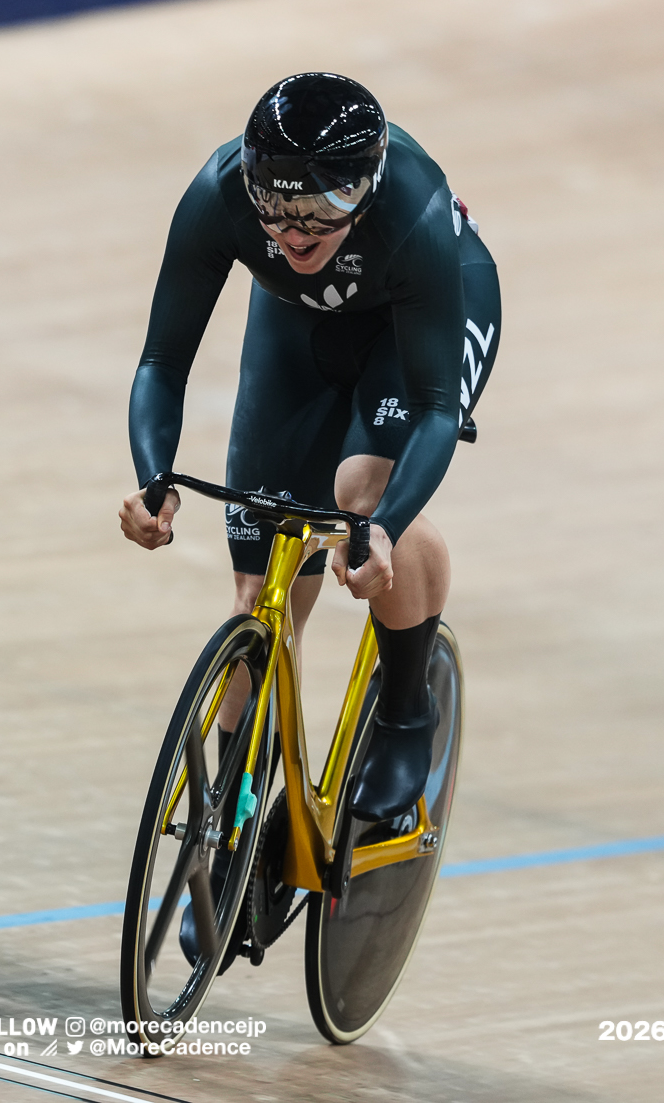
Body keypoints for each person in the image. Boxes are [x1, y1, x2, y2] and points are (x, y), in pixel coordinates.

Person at [119, 71, 500, 829]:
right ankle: (231, 826)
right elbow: (162, 361)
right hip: (299, 326)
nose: (293, 230)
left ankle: (402, 711)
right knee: (259, 590)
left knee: (359, 495)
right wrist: (153, 475)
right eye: (276, 207)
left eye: (320, 209)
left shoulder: (412, 207)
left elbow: (431, 407)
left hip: (417, 325)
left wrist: (385, 524)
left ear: (364, 189)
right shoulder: (219, 191)